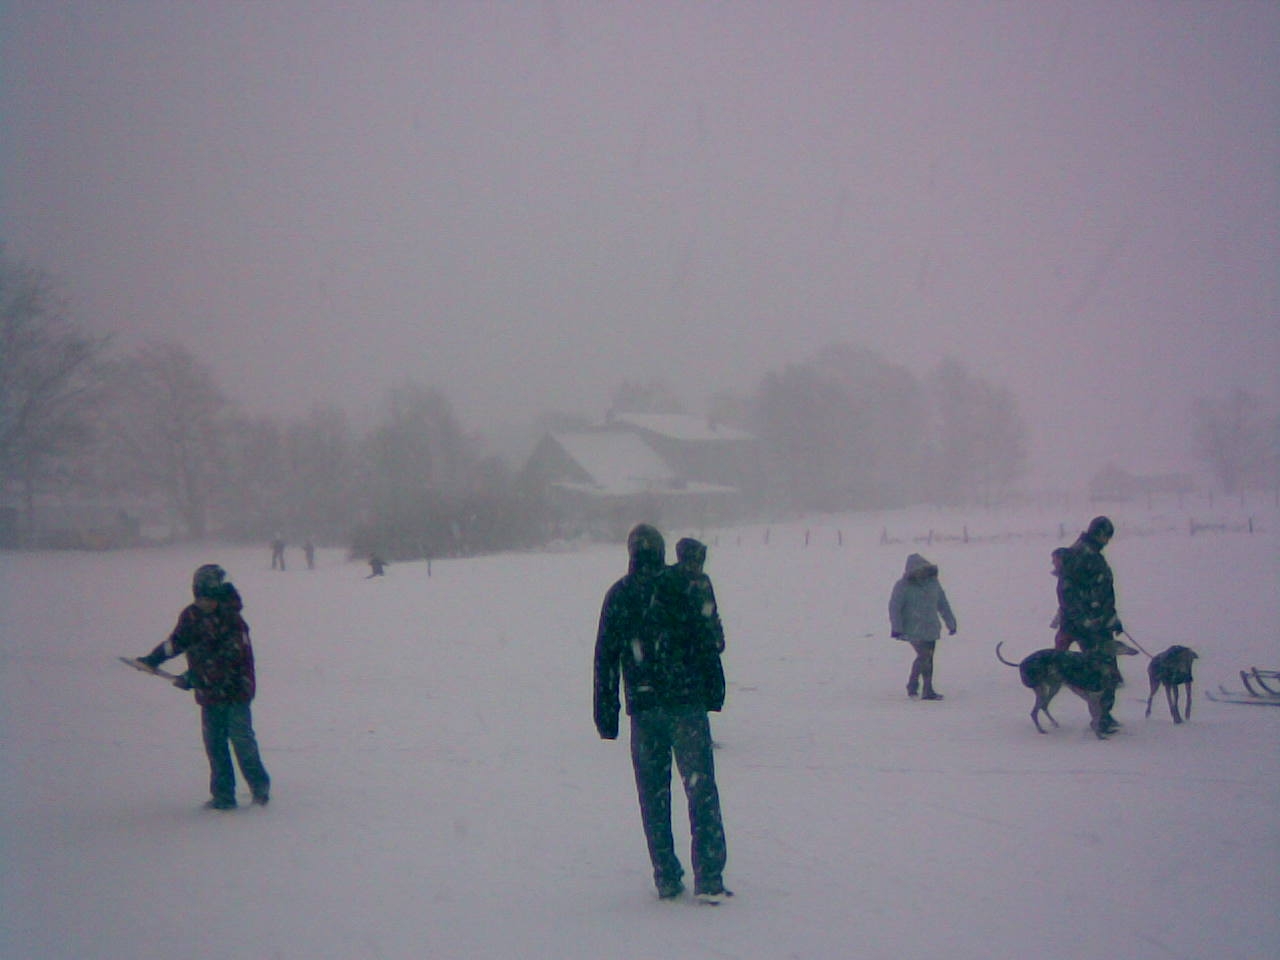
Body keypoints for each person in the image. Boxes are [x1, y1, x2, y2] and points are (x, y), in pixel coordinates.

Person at [594, 526, 730, 903]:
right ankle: (710, 878)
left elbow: (605, 658)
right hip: (686, 703)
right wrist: (713, 690)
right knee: (701, 791)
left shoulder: (619, 594)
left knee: (653, 797)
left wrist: (607, 714)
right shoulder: (683, 585)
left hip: (644, 707)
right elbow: (709, 641)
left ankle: (666, 876)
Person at [134, 564, 271, 809]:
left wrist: (193, 677)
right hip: (209, 694)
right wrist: (153, 659)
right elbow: (176, 642)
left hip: (236, 690)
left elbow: (229, 659)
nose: (204, 604)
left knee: (241, 740)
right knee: (215, 744)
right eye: (200, 598)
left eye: (209, 599)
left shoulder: (232, 620)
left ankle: (260, 789)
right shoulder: (191, 616)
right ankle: (223, 796)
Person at [1057, 516, 1126, 733]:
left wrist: (1112, 617)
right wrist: (1084, 621)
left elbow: (1103, 592)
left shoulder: (1092, 554)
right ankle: (1101, 718)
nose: (1108, 541)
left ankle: (1104, 715)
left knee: (1107, 671)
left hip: (1100, 623)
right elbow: (1068, 593)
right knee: (1099, 672)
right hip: (1087, 626)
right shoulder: (1080, 554)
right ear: (1099, 533)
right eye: (1107, 536)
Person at [889, 553, 957, 700]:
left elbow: (942, 604)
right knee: (924, 656)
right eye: (918, 570)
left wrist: (951, 622)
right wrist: (896, 628)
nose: (921, 572)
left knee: (928, 658)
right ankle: (915, 686)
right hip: (912, 628)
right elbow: (894, 607)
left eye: (924, 569)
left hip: (931, 628)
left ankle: (926, 689)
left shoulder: (933, 583)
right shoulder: (903, 586)